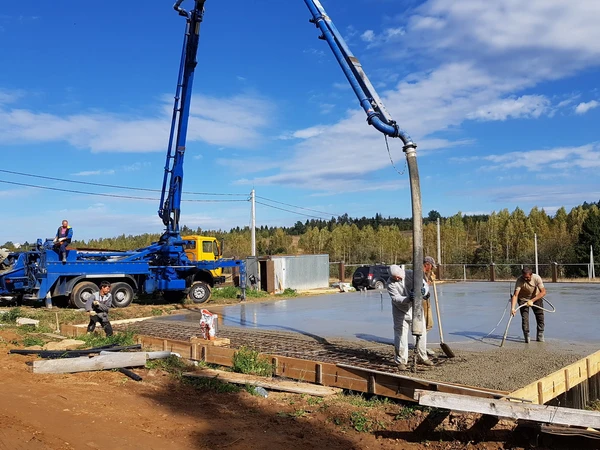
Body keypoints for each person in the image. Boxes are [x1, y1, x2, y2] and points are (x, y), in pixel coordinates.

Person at [388, 264, 434, 371]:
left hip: (415, 308)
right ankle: (401, 361)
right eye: (395, 277)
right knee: (401, 336)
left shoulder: (410, 274)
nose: (398, 279)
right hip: (400, 311)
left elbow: (423, 284)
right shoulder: (390, 283)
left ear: (401, 272)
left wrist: (424, 291)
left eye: (398, 277)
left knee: (421, 332)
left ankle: (423, 357)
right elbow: (396, 298)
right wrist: (408, 298)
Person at [511, 267, 547, 343]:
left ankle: (540, 335)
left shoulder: (536, 278)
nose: (526, 279)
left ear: (531, 275)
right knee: (525, 319)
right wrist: (513, 308)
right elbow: (515, 295)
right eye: (524, 277)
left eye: (527, 277)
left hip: (536, 298)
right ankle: (527, 337)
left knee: (540, 317)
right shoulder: (520, 280)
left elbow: (543, 292)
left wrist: (532, 300)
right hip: (523, 300)